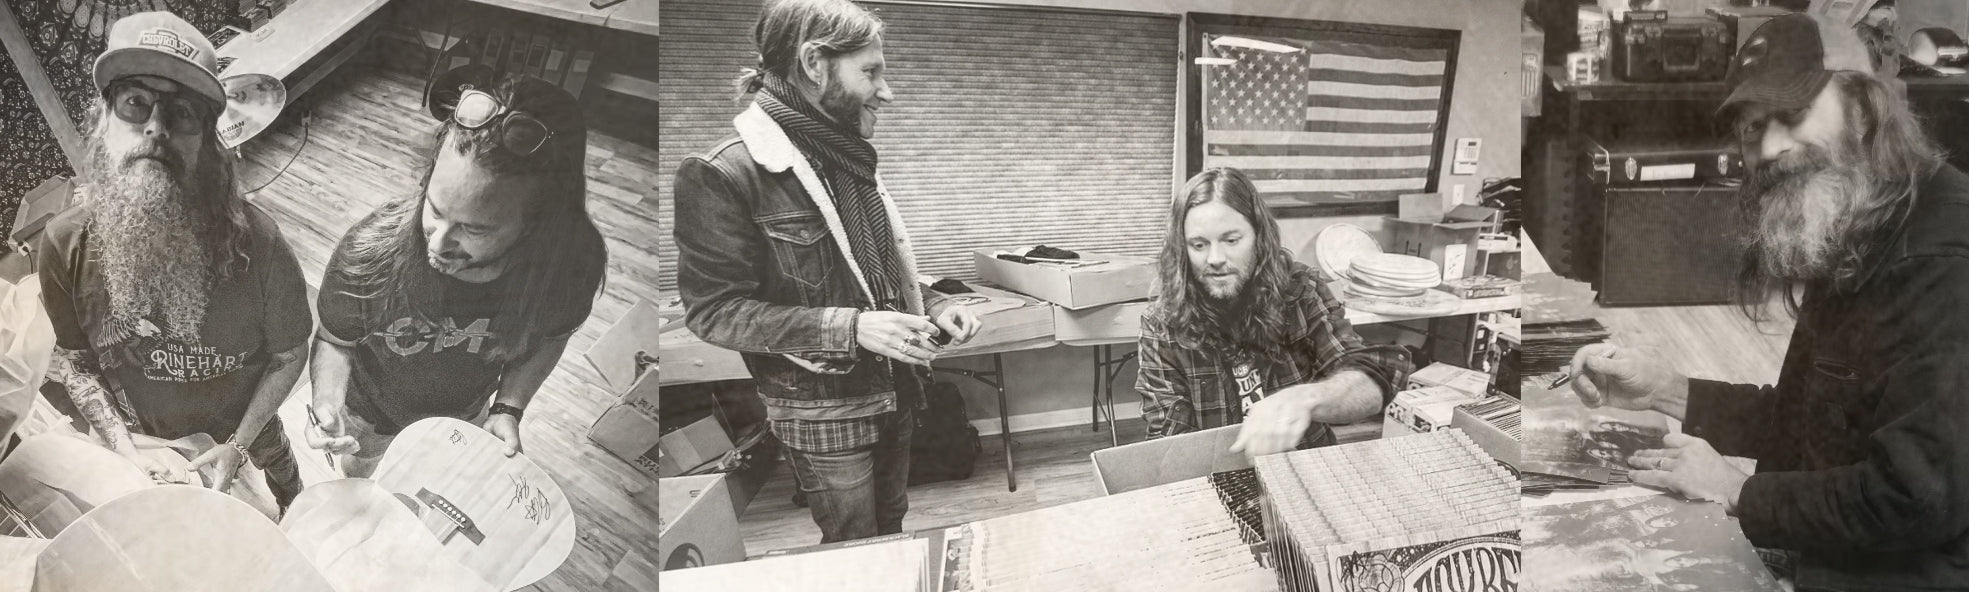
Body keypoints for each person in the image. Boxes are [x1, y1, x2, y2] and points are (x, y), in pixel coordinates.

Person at [1567, 12, 1969, 590]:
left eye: (1793, 113)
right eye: (1754, 127)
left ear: (1863, 107)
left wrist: (1737, 490)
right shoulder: (1856, 213)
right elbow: (1814, 422)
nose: (1771, 145)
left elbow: (1916, 495)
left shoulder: (1944, 259)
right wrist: (1666, 390)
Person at [673, 0, 981, 544]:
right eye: (871, 72)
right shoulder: (723, 173)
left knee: (890, 533)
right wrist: (853, 328)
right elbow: (714, 312)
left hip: (895, 392)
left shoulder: (847, 157)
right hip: (823, 413)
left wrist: (934, 305)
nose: (887, 92)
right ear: (815, 64)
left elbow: (868, 273)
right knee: (852, 547)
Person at [35, 11, 306, 509]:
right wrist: (126, 451)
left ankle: (293, 498)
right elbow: (75, 362)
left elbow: (290, 355)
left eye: (183, 112)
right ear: (103, 120)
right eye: (135, 102)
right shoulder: (62, 245)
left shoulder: (261, 241)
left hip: (249, 419)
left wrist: (240, 444)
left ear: (207, 140)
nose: (156, 128)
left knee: (282, 465)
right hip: (153, 435)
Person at [304, 73, 607, 478]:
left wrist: (507, 407)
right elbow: (335, 340)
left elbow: (552, 336)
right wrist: (327, 403)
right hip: (369, 415)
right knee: (360, 475)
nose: (439, 242)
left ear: (538, 226)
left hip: (465, 413)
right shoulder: (369, 255)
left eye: (474, 229)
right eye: (435, 208)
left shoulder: (568, 268)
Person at [1136, 168, 1412, 457]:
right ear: (1183, 249)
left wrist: (1306, 399)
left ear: (1258, 236)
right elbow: (1168, 440)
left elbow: (1371, 378)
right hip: (1219, 468)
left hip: (1305, 459)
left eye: (1231, 240)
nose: (1215, 259)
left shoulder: (1300, 290)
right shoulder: (1162, 323)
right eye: (1199, 245)